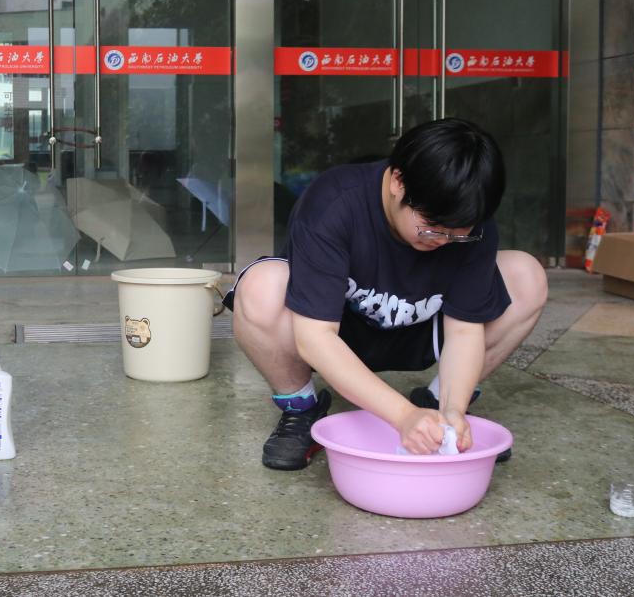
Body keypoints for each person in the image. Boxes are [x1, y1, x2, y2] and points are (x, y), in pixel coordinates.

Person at [227, 118, 547, 470]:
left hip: (422, 331)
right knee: (261, 286)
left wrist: (454, 409)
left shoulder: (469, 221)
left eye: (457, 234)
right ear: (398, 181)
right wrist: (402, 415)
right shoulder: (334, 202)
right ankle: (301, 409)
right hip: (336, 334)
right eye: (431, 227)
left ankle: (438, 413)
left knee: (526, 277)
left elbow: (465, 331)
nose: (443, 241)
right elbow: (315, 337)